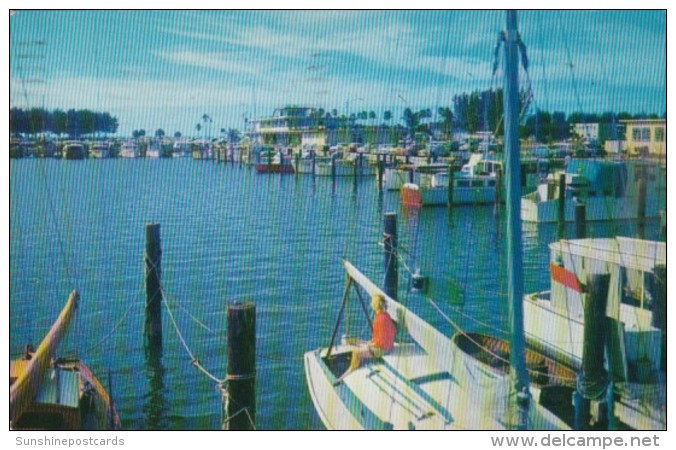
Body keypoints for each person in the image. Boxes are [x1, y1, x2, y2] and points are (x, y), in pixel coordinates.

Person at [334, 293, 396, 385]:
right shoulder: (385, 315)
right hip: (384, 345)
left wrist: (369, 345)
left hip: (381, 349)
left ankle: (348, 371)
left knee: (356, 353)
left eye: (372, 302)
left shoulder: (379, 320)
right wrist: (371, 342)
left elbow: (379, 341)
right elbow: (393, 331)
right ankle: (359, 350)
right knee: (354, 341)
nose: (370, 303)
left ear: (375, 305)